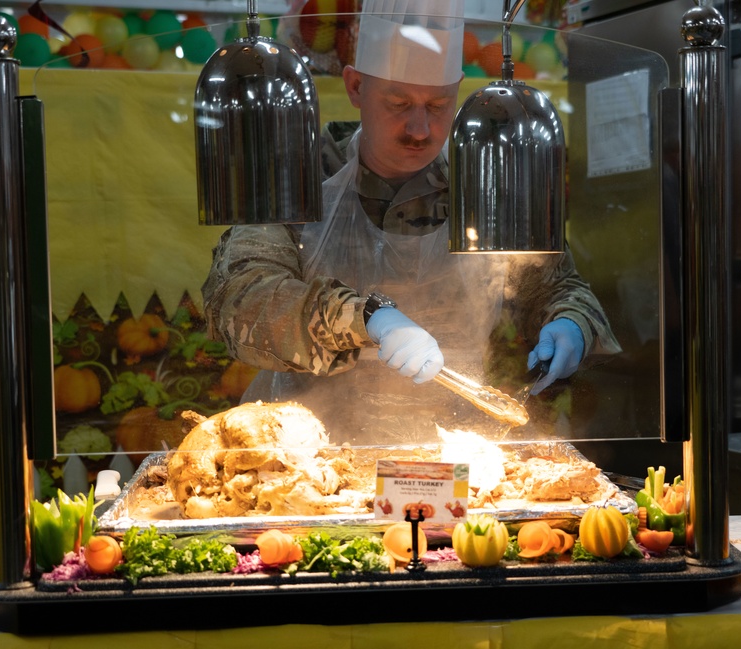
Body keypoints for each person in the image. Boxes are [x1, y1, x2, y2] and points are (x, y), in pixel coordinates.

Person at [202, 0, 620, 445]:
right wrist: (366, 318)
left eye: (439, 104)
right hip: (304, 447)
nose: (420, 128)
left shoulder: (484, 180)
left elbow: (558, 286)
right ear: (356, 86)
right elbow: (239, 297)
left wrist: (572, 322)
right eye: (399, 103)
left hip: (454, 446)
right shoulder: (296, 172)